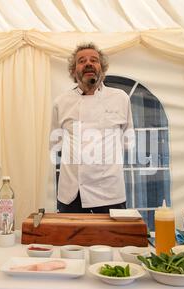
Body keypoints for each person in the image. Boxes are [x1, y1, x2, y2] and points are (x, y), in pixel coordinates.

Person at [50, 43, 134, 213]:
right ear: (74, 71)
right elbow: (55, 142)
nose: (88, 63)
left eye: (94, 60)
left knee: (112, 240)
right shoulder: (61, 102)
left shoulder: (120, 98)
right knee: (71, 240)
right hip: (72, 195)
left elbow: (127, 140)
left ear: (102, 68)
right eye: (82, 61)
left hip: (110, 193)